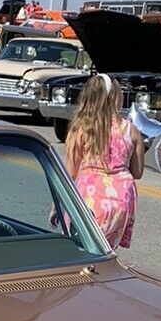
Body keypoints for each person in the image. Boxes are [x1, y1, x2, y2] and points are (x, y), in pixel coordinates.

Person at [64, 73, 144, 249]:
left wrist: (58, 206)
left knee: (81, 248)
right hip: (121, 199)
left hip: (90, 197)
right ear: (113, 98)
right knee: (106, 250)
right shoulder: (130, 129)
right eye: (121, 92)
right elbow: (137, 173)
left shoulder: (81, 129)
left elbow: (71, 172)